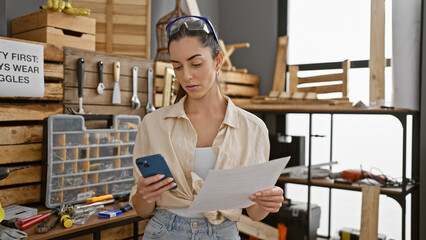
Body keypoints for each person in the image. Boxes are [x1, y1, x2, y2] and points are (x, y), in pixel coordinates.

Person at [129, 15, 284, 240]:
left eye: (196, 63)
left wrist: (269, 201)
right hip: (165, 231)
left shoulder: (253, 129)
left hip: (223, 233)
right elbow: (142, 210)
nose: (187, 76)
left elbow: (255, 213)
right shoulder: (153, 125)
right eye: (178, 66)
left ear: (218, 60)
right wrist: (144, 195)